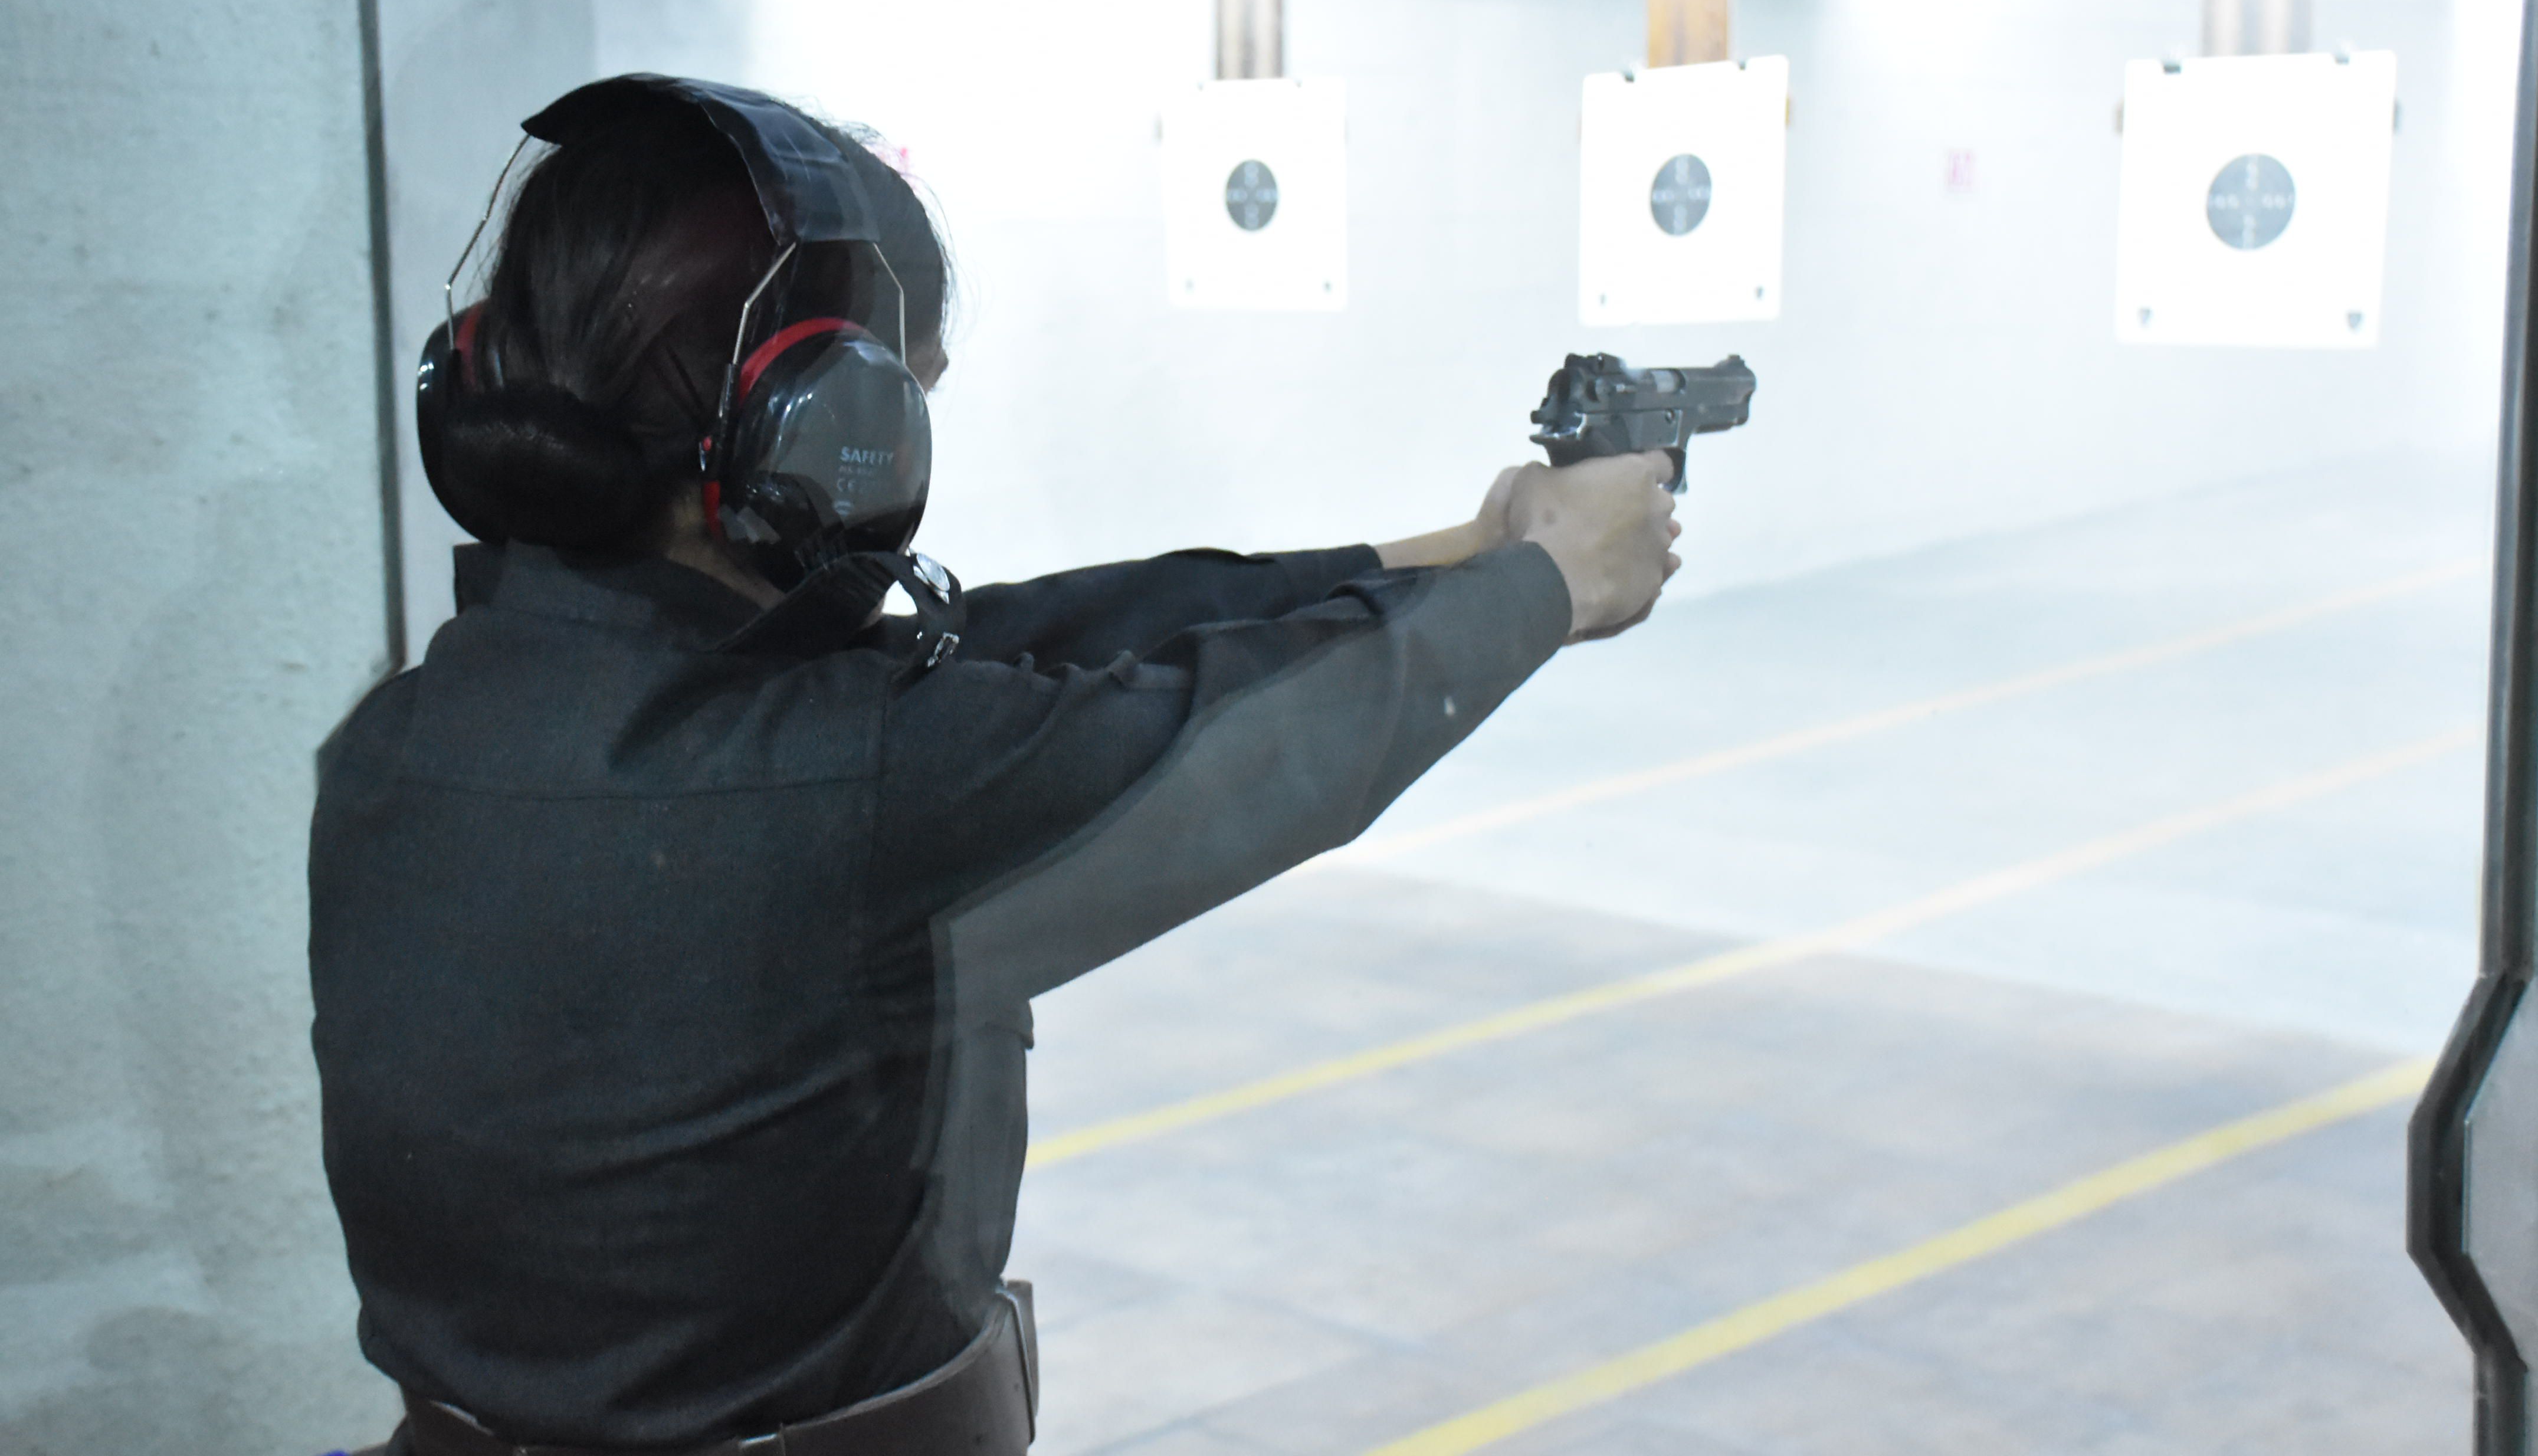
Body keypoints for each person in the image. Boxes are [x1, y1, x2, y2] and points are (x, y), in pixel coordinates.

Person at [309, 76, 1681, 1456]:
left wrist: (1450, 554)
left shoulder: (406, 736)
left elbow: (995, 648)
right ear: (815, 418)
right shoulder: (857, 784)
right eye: (906, 399)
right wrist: (1555, 583)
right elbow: (1243, 745)